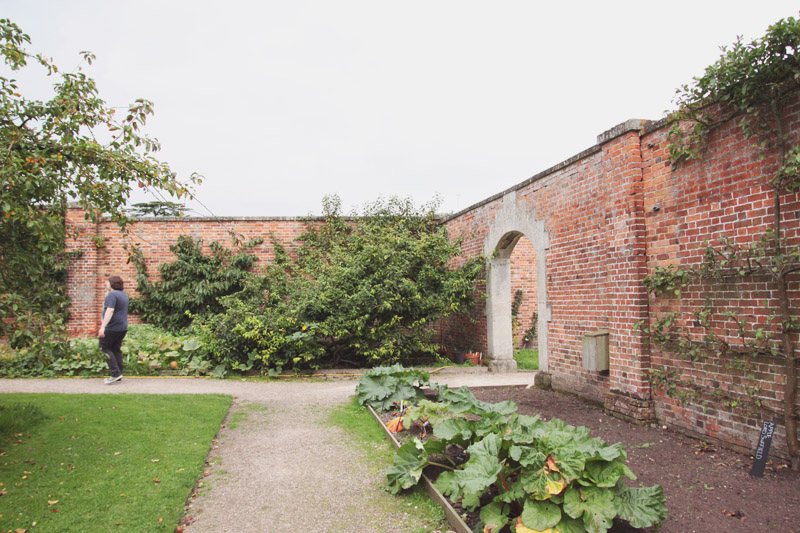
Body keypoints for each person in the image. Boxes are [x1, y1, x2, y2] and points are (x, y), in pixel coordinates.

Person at [98, 275, 129, 384]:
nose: (105, 284)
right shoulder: (123, 295)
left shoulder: (112, 295)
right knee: (116, 349)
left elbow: (110, 310)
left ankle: (115, 373)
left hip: (112, 327)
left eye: (107, 282)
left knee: (104, 347)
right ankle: (118, 374)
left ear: (112, 284)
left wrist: (103, 327)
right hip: (122, 327)